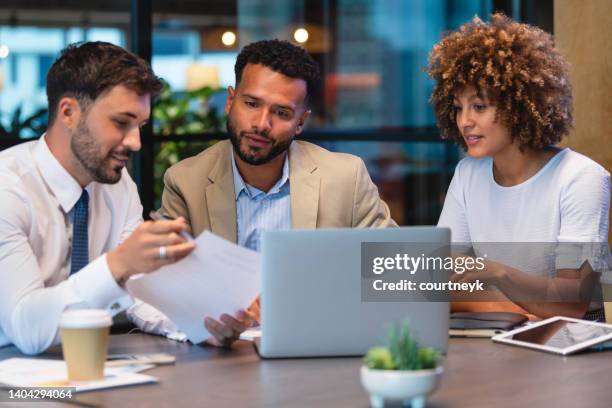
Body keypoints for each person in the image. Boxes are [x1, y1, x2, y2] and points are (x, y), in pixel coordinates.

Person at [128, 39, 397, 346]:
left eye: (281, 113)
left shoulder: (345, 177)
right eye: (252, 104)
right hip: (224, 358)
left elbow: (393, 274)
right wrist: (212, 321)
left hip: (319, 346)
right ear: (231, 101)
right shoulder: (186, 181)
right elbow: (166, 290)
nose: (261, 124)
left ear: (300, 122)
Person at [0, 42, 195, 355]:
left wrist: (202, 323)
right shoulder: (6, 189)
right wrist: (118, 263)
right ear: (68, 113)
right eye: (121, 123)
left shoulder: (117, 185)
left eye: (140, 126)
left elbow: (140, 289)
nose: (135, 143)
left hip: (88, 363)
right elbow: (27, 328)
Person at [427, 14, 610, 319]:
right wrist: (512, 310)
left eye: (480, 107)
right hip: (501, 327)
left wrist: (497, 273)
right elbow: (437, 281)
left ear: (519, 104)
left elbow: (572, 301)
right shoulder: (467, 175)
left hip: (573, 342)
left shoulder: (581, 178)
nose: (464, 122)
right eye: (458, 108)